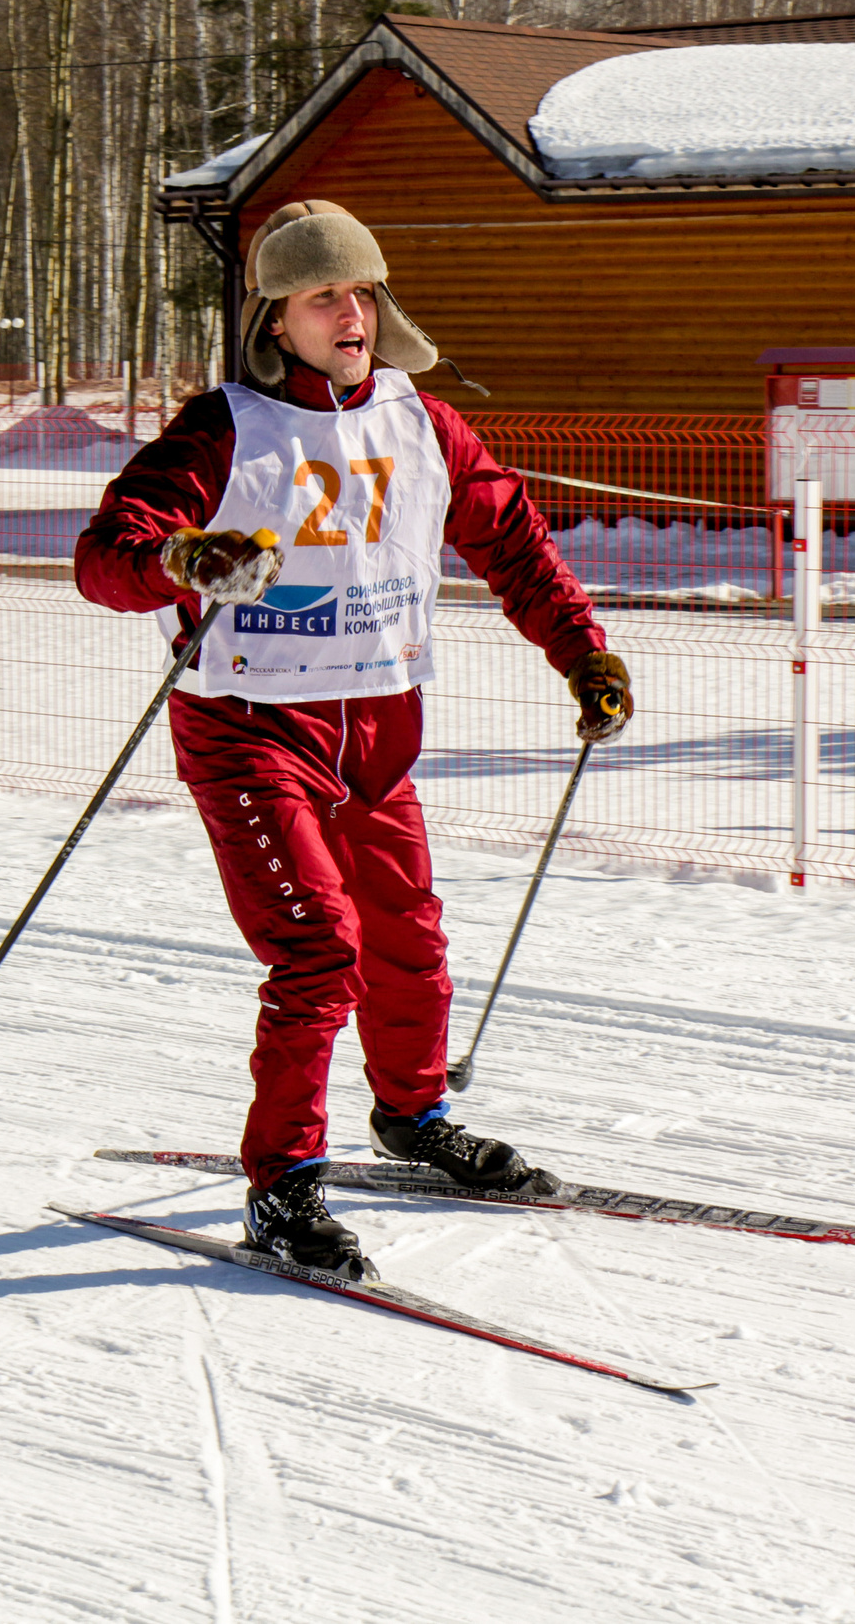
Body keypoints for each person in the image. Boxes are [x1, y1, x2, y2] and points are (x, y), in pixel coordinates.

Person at [75, 199, 630, 1274]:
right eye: (324, 295)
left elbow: (514, 544)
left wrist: (584, 654)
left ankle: (413, 1116)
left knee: (407, 939)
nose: (351, 314)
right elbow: (107, 555)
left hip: (377, 730)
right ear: (275, 320)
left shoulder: (422, 424)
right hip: (249, 727)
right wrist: (183, 558)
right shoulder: (224, 429)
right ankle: (282, 1185)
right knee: (317, 949)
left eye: (363, 292)